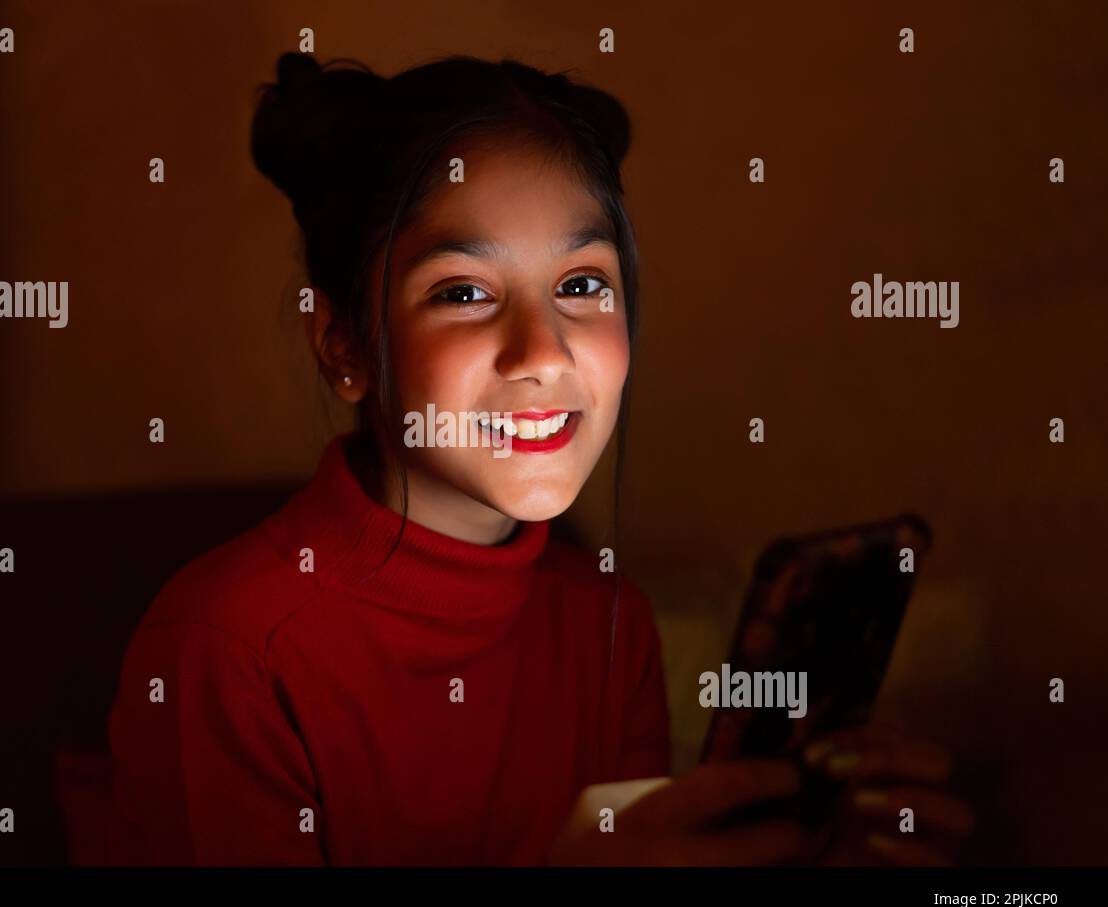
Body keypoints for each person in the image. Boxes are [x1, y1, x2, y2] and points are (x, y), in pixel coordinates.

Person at [106, 52, 973, 866]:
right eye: (463, 293)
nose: (542, 353)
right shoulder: (224, 649)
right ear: (343, 346)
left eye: (582, 285)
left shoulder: (606, 624)